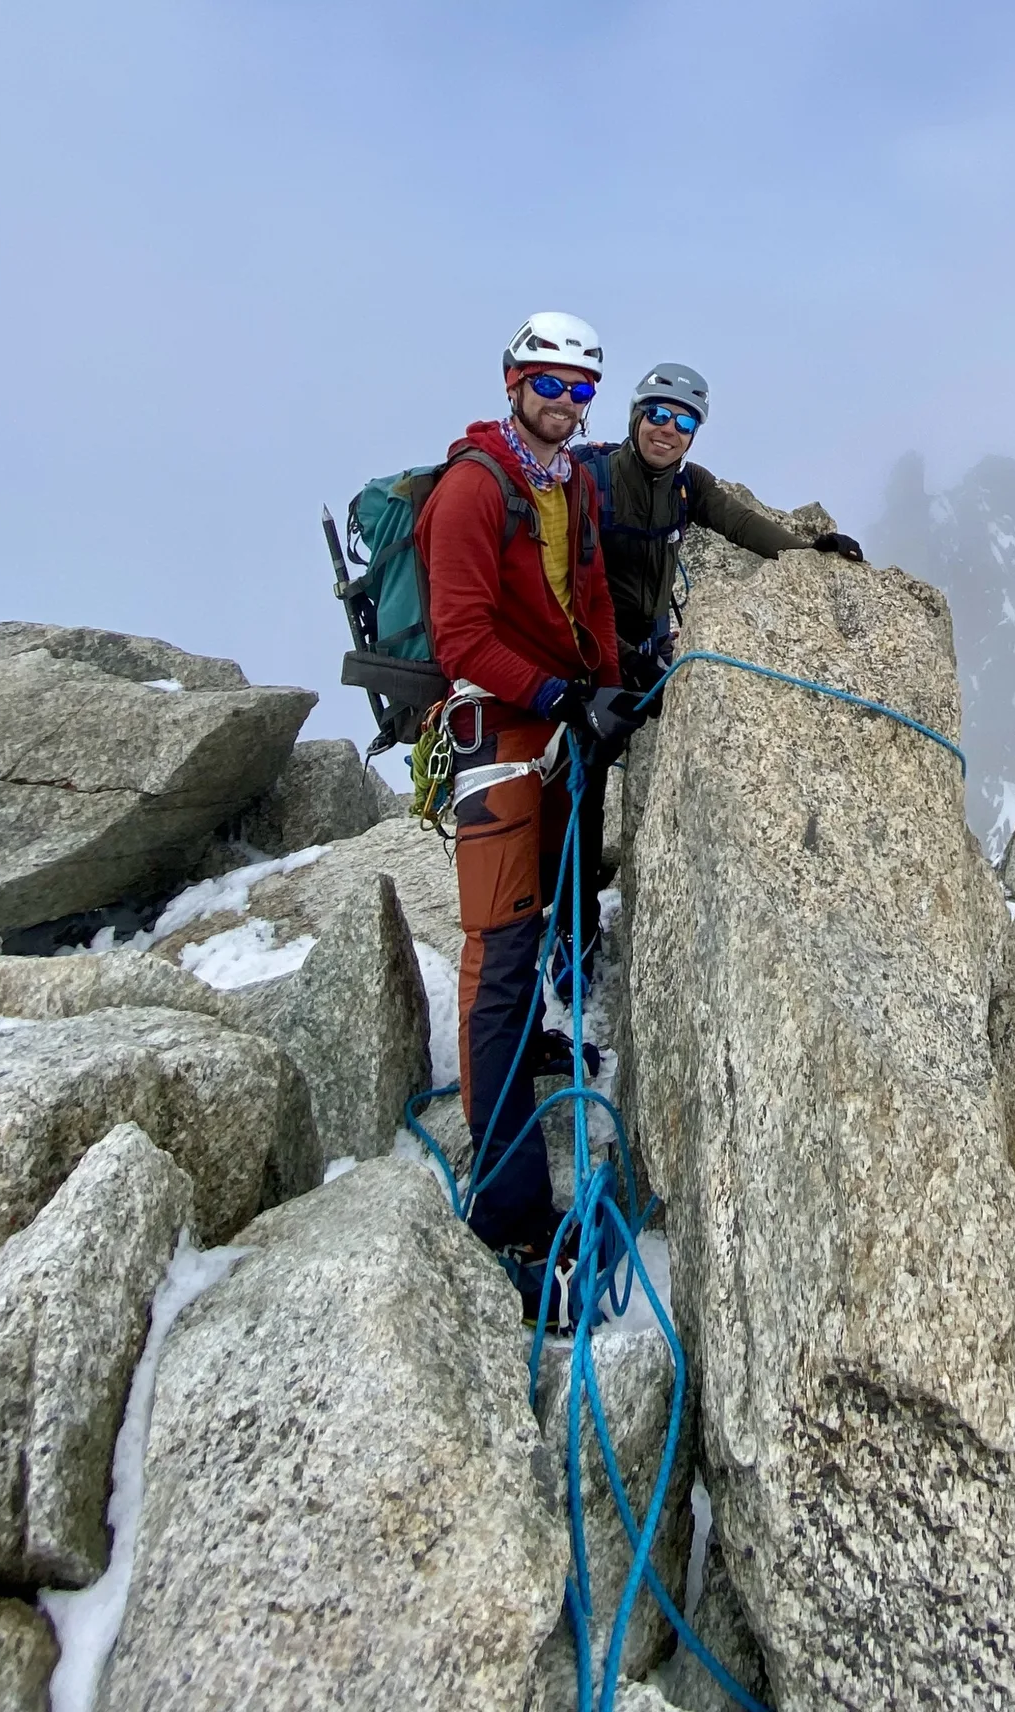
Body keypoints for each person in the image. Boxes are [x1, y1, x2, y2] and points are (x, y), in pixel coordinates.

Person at [413, 308, 644, 1319]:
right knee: (501, 952)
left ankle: (531, 1060)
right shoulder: (475, 490)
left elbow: (588, 591)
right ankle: (507, 1206)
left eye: (580, 388)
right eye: (548, 383)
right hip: (501, 738)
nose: (563, 402)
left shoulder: (570, 485)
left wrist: (610, 681)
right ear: (512, 382)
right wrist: (557, 698)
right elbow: (462, 635)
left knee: (555, 909)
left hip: (556, 728)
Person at [577, 360, 866, 695]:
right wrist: (625, 659)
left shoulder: (689, 484)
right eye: (658, 415)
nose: (669, 429)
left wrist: (808, 551)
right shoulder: (591, 482)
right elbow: (567, 594)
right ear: (636, 416)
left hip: (651, 648)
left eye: (684, 423)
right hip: (593, 647)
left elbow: (740, 523)